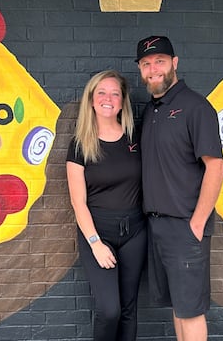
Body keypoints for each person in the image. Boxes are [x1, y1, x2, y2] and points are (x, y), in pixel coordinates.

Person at [135, 35, 223, 341]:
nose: (153, 69)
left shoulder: (195, 107)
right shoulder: (151, 111)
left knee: (191, 310)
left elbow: (217, 167)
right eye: (146, 64)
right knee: (179, 307)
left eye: (159, 61)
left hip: (185, 226)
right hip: (157, 226)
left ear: (175, 63)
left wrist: (197, 223)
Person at [66, 70, 146, 341]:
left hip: (135, 232)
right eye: (101, 92)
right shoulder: (80, 145)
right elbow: (78, 202)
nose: (108, 98)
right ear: (91, 100)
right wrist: (95, 243)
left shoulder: (136, 138)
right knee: (108, 310)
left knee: (128, 309)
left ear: (123, 102)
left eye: (115, 93)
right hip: (98, 233)